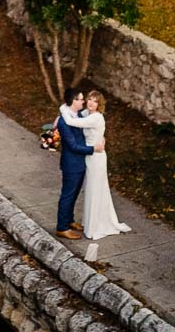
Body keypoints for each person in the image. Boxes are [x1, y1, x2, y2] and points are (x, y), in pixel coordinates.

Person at [59, 90, 131, 240]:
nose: (87, 102)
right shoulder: (84, 114)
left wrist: (63, 109)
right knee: (75, 193)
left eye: (94, 101)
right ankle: (63, 227)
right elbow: (72, 124)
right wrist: (62, 110)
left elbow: (75, 122)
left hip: (95, 159)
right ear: (73, 102)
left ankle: (94, 224)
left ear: (99, 104)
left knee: (95, 190)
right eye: (86, 99)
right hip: (85, 157)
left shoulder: (95, 117)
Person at [54, 87, 103, 240]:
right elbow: (73, 146)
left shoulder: (76, 114)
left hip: (80, 163)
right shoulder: (64, 121)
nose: (84, 101)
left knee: (74, 194)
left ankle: (69, 220)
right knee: (68, 195)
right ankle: (62, 227)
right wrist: (93, 148)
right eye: (81, 99)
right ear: (73, 101)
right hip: (72, 164)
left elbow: (93, 121)